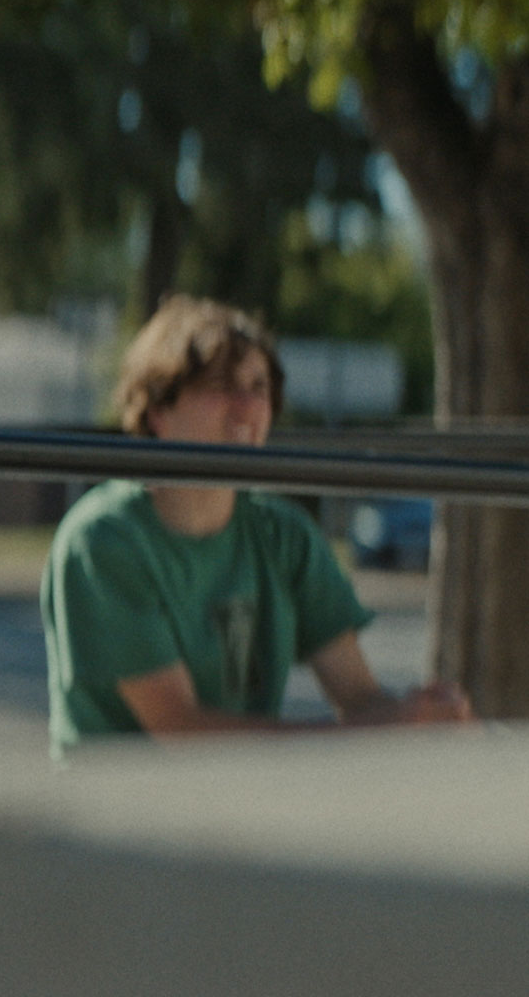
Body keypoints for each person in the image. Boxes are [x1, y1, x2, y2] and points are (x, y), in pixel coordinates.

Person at [41, 294, 471, 759]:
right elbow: (180, 731)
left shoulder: (282, 533)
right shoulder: (102, 540)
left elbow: (361, 699)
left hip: (243, 806)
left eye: (260, 386)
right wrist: (385, 727)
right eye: (221, 385)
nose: (247, 407)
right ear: (156, 411)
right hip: (116, 816)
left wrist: (426, 715)